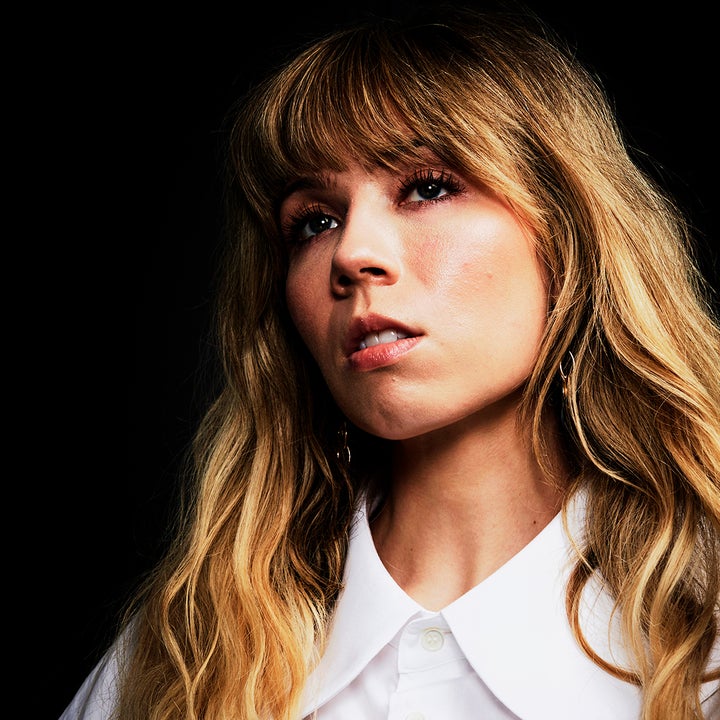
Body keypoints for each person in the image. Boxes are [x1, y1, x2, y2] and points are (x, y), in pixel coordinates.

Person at [60, 4, 720, 719]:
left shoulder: (702, 627)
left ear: (567, 234)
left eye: (428, 187)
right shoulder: (188, 652)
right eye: (314, 222)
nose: (351, 254)